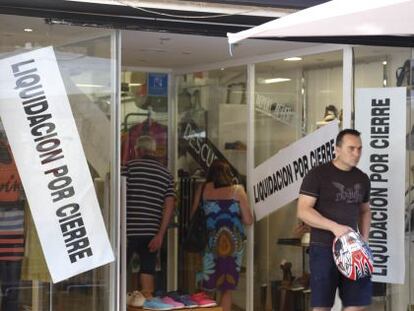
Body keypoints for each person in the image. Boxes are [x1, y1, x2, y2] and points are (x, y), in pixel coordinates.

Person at [297, 129, 372, 311]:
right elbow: (303, 210)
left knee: (357, 304)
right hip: (323, 248)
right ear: (337, 150)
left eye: (359, 149)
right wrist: (334, 227)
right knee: (322, 306)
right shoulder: (318, 174)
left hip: (353, 249)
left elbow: (365, 210)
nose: (357, 153)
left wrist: (364, 239)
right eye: (351, 148)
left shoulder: (362, 178)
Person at [191, 159, 253, 311]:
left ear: (210, 173)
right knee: (226, 287)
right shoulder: (237, 190)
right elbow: (248, 220)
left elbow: (193, 216)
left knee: (207, 286)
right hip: (233, 246)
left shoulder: (203, 188)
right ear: (228, 174)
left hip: (209, 243)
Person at [122, 135, 175, 298]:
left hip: (127, 231)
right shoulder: (166, 174)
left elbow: (119, 197)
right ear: (153, 151)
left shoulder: (128, 168)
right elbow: (169, 206)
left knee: (119, 272)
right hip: (151, 233)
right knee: (147, 270)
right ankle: (146, 302)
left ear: (139, 150)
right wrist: (160, 234)